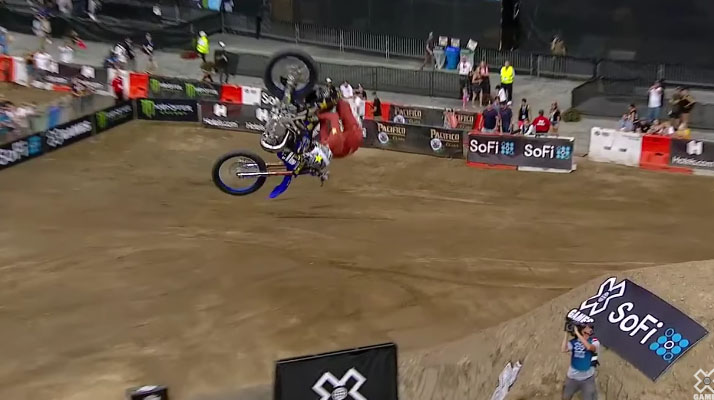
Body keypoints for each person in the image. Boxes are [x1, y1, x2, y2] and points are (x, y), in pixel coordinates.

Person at [562, 322, 599, 400]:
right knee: (565, 397)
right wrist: (566, 333)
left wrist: (577, 333)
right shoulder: (573, 342)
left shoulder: (594, 341)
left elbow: (589, 347)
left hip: (588, 378)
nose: (590, 329)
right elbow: (563, 349)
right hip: (572, 377)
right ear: (582, 330)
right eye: (587, 327)